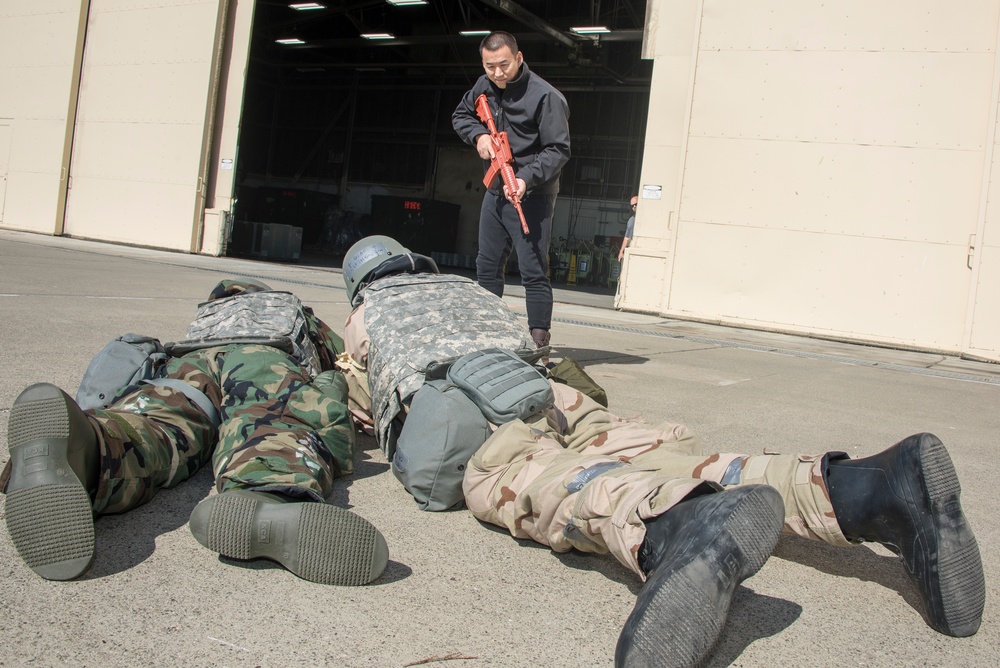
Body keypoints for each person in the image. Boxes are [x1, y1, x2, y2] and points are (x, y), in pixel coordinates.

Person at [338, 235, 985, 668]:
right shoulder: (463, 289)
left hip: (480, 425)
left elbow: (360, 404)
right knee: (681, 462)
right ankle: (866, 489)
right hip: (553, 393)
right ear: (410, 261)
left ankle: (672, 526)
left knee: (545, 482)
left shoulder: (368, 315)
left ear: (358, 282)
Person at [2, 279, 388, 586]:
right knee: (273, 422)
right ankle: (269, 494)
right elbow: (344, 362)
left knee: (161, 421)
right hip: (266, 358)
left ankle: (94, 449)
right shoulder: (293, 313)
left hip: (189, 364)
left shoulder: (208, 317)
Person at [452, 30, 571, 351]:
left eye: (504, 65)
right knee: (486, 265)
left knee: (533, 269)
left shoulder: (546, 97)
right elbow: (461, 115)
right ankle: (487, 334)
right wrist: (478, 136)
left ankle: (539, 341)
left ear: (518, 58)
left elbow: (558, 150)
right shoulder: (483, 86)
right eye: (490, 66)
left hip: (532, 196)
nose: (497, 73)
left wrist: (525, 179)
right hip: (494, 191)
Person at [618, 194, 639, 262]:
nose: (634, 207)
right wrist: (621, 252)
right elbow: (627, 237)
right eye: (632, 206)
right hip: (633, 250)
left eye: (636, 204)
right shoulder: (631, 220)